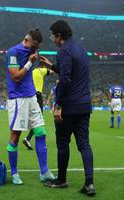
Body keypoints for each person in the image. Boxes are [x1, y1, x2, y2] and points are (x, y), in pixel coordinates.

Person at [40, 20, 96, 196]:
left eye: (52, 35)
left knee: (63, 143)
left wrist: (59, 105)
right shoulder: (81, 50)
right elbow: (71, 72)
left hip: (69, 107)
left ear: (59, 36)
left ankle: (61, 180)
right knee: (84, 144)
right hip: (84, 105)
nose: (52, 38)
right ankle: (89, 184)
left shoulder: (63, 51)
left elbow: (65, 79)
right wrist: (51, 66)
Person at [5, 29, 55, 185]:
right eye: (33, 46)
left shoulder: (32, 51)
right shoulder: (12, 52)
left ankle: (44, 172)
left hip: (32, 97)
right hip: (18, 100)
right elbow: (15, 76)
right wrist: (29, 63)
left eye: (37, 47)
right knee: (15, 136)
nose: (35, 50)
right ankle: (14, 174)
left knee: (41, 133)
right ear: (26, 40)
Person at [22, 62, 54, 150]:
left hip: (30, 95)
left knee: (35, 118)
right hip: (37, 95)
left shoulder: (32, 72)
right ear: (43, 66)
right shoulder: (42, 70)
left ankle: (28, 138)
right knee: (39, 119)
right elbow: (52, 72)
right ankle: (28, 138)